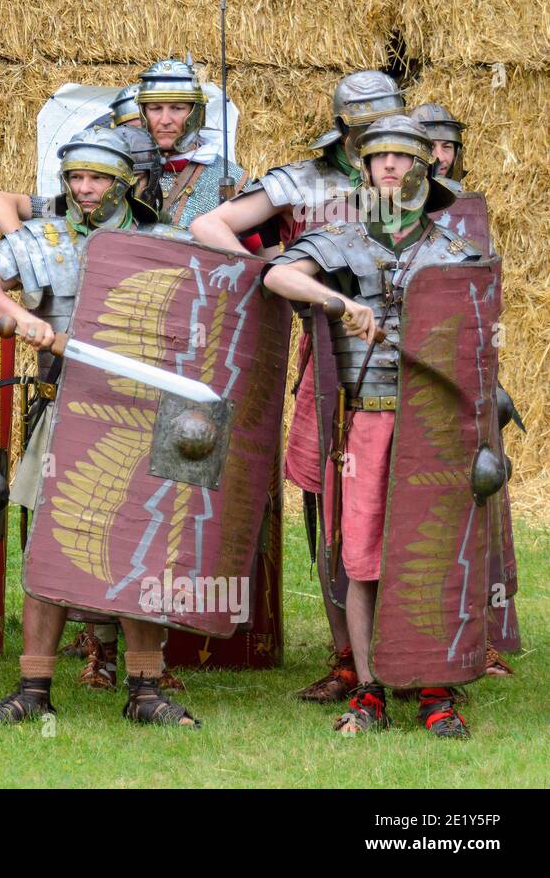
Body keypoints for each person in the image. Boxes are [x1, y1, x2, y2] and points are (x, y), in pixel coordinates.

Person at [0, 126, 199, 726]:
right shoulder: (44, 238)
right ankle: (34, 686)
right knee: (49, 546)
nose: (84, 189)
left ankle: (145, 690)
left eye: (96, 179)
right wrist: (19, 318)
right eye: (75, 178)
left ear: (125, 182)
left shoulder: (164, 242)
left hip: (145, 412)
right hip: (65, 405)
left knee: (140, 548)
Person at [190, 70, 409, 703]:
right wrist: (278, 278)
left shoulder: (414, 185)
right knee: (329, 507)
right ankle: (348, 658)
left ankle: (417, 647)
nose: (382, 147)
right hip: (331, 359)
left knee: (408, 506)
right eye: (367, 130)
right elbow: (212, 227)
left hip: (405, 364)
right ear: (345, 128)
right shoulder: (304, 180)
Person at [262, 114, 480, 738]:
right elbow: (276, 275)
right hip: (365, 424)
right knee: (362, 561)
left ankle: (434, 687)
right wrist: (339, 302)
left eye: (402, 158)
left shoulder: (455, 253)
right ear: (363, 168)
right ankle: (369, 689)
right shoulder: (343, 243)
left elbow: (478, 345)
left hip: (431, 428)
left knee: (428, 558)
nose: (389, 167)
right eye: (378, 158)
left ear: (426, 168)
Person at [136, 58, 243, 227]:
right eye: (155, 108)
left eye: (177, 108)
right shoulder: (124, 173)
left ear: (196, 113)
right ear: (143, 113)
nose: (165, 120)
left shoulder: (232, 180)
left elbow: (259, 253)